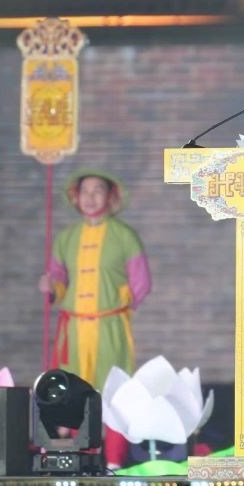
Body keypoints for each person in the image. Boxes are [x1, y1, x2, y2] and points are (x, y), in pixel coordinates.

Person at [38, 169, 151, 469]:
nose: (90, 197)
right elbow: (59, 278)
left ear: (110, 196)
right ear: (76, 197)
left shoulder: (124, 236)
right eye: (85, 191)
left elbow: (141, 283)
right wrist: (52, 287)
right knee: (71, 392)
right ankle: (76, 459)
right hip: (73, 329)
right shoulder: (67, 238)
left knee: (113, 392)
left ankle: (114, 461)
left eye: (98, 190)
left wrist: (121, 306)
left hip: (109, 326)